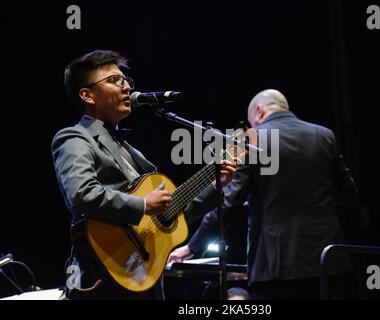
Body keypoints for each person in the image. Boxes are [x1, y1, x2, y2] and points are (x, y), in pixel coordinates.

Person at [51, 49, 236, 299]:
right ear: (87, 95)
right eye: (114, 80)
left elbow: (169, 218)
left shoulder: (131, 152)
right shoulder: (74, 138)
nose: (126, 86)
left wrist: (215, 185)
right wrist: (143, 204)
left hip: (145, 276)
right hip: (103, 275)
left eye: (126, 80)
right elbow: (82, 194)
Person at [168, 89, 359, 299]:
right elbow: (350, 193)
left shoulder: (252, 139)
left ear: (258, 111)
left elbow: (229, 202)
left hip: (277, 263)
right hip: (329, 259)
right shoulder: (324, 135)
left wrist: (191, 247)